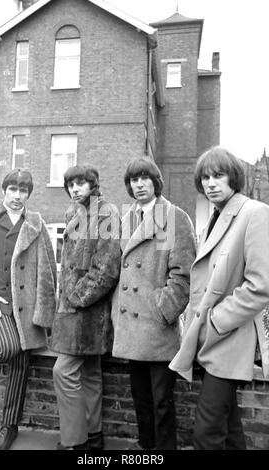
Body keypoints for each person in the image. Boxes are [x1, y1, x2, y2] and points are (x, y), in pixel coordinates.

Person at [169, 146, 269, 450]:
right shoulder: (216, 216)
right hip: (211, 339)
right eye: (206, 177)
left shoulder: (254, 213)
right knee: (228, 426)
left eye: (218, 175)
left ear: (233, 177)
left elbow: (261, 285)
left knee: (207, 432)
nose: (211, 183)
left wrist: (216, 321)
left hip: (229, 339)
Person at [111, 157, 196, 450]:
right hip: (133, 329)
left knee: (161, 404)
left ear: (155, 181)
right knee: (141, 401)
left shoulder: (175, 217)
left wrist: (163, 310)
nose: (139, 185)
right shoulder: (125, 218)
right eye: (133, 180)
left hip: (158, 329)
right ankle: (146, 451)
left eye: (144, 178)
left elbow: (183, 275)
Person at [0, 169, 57, 450]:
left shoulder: (34, 222)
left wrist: (45, 313)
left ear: (29, 194)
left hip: (25, 305)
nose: (18, 196)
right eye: (13, 189)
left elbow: (47, 266)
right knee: (7, 348)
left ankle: (9, 426)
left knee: (22, 359)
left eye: (23, 191)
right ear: (4, 190)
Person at [50, 165, 121, 450]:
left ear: (94, 184)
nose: (75, 189)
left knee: (63, 371)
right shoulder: (73, 213)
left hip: (89, 311)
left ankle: (73, 441)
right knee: (90, 372)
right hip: (73, 311)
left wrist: (78, 297)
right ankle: (93, 436)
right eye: (71, 184)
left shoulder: (107, 212)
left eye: (81, 183)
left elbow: (106, 267)